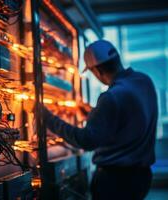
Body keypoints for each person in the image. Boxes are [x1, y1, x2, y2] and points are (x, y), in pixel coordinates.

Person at [43, 40, 158, 200]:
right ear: (117, 58)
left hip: (116, 182)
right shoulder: (144, 81)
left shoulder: (111, 97)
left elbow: (86, 141)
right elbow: (128, 118)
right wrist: (93, 113)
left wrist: (46, 118)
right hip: (141, 177)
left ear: (97, 70)